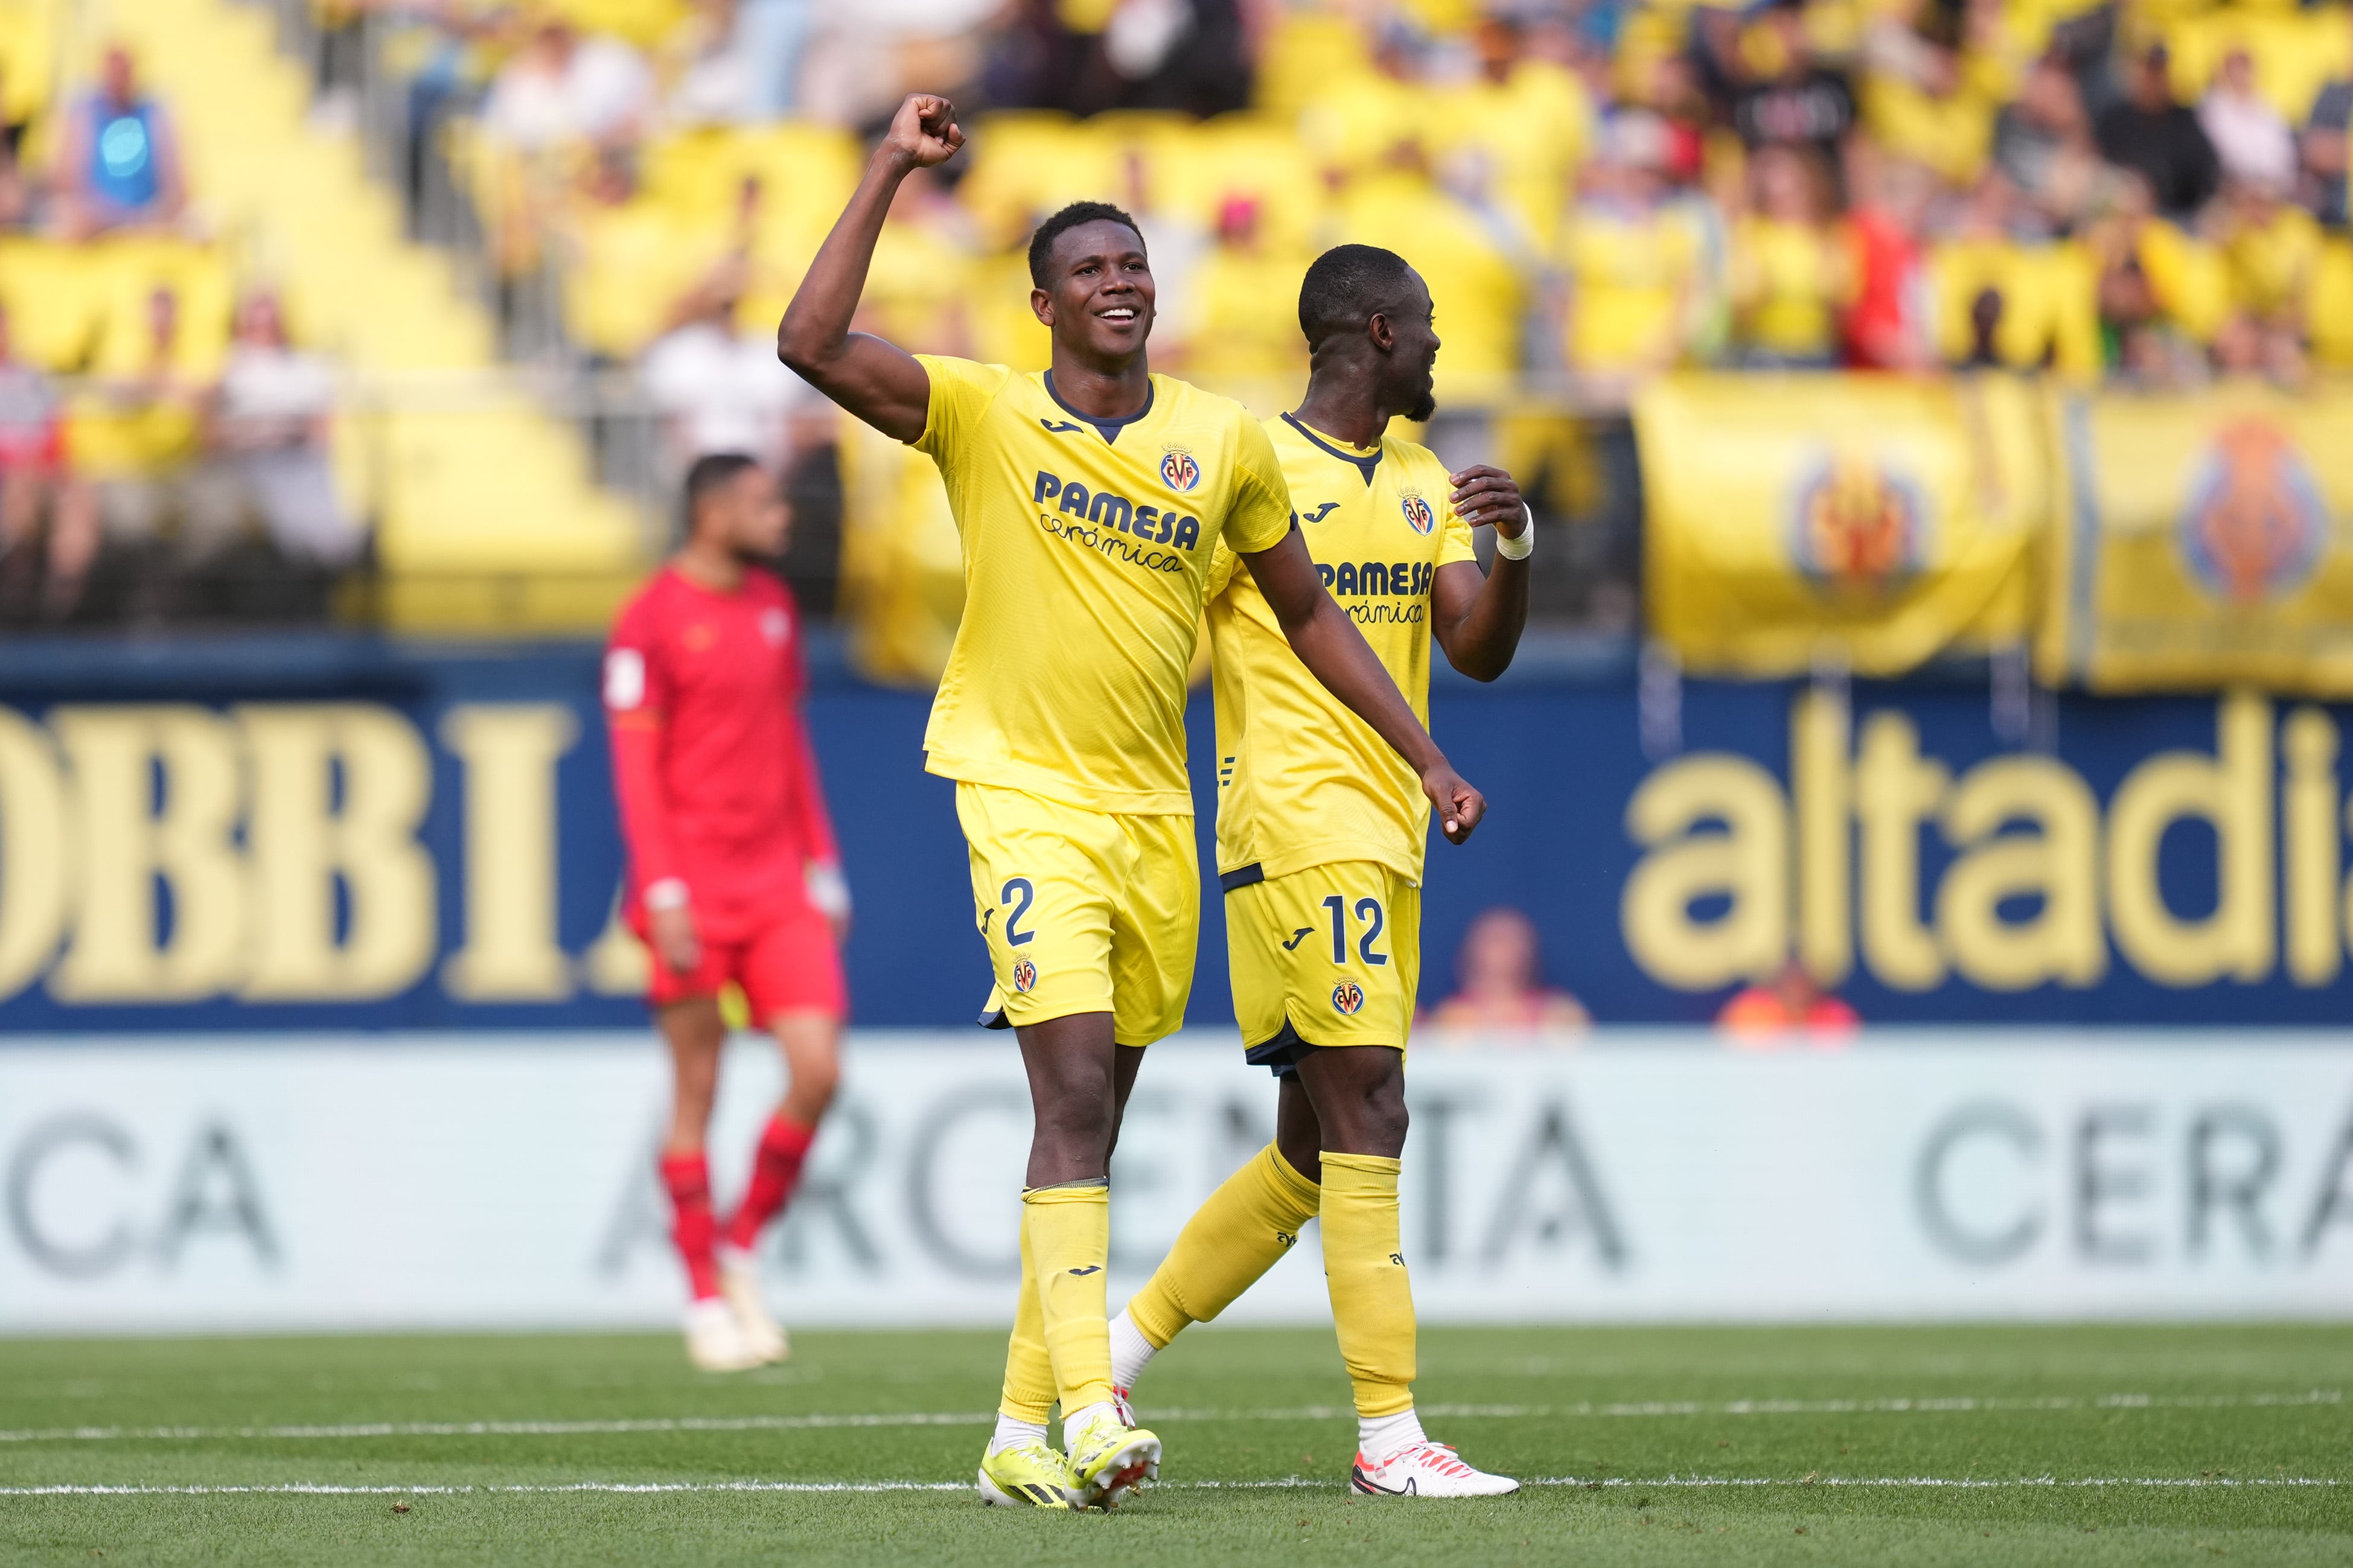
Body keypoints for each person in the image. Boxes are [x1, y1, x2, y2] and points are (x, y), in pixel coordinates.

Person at [776, 94, 1486, 1512]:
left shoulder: (1219, 444)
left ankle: (1015, 1427)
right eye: (1090, 270)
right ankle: (1094, 1409)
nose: (1120, 283)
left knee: (1094, 1122)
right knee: (1074, 1089)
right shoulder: (982, 409)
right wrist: (883, 174)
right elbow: (805, 344)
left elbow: (1308, 616)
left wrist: (1421, 751)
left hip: (1153, 818)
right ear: (1039, 304)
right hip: (1021, 791)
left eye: (1134, 265)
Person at [1105, 244, 1531, 1500]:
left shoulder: (1411, 477)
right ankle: (1389, 1437)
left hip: (1383, 831)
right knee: (1374, 1109)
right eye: (1432, 324)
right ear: (1378, 332)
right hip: (1294, 823)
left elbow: (1475, 648)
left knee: (1308, 1150)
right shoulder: (1251, 463)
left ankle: (1111, 1354)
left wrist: (1508, 552)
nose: (1445, 346)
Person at [604, 453, 849, 1373]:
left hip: (778, 885)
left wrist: (822, 865)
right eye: (760, 501)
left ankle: (740, 1242)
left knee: (818, 1070)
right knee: (696, 1091)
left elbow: (787, 742)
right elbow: (634, 772)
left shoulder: (773, 610)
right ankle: (703, 1294)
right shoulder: (649, 621)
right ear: (711, 514)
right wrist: (660, 890)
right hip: (693, 890)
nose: (780, 514)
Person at [53, 44, 187, 239]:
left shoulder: (154, 114)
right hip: (96, 219)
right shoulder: (84, 114)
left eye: (124, 72)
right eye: (113, 73)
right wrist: (104, 214)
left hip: (148, 217)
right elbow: (65, 183)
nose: (118, 80)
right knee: (65, 219)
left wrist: (149, 216)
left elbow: (178, 187)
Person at [1425, 906, 1590, 1034]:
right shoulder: (1450, 1015)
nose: (1504, 950)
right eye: (1495, 940)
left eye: (1511, 940)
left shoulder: (1559, 1011)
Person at [1716, 958, 1860, 1039]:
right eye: (1791, 982)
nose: (1796, 991)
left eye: (1801, 983)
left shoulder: (1835, 1016)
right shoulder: (1750, 1012)